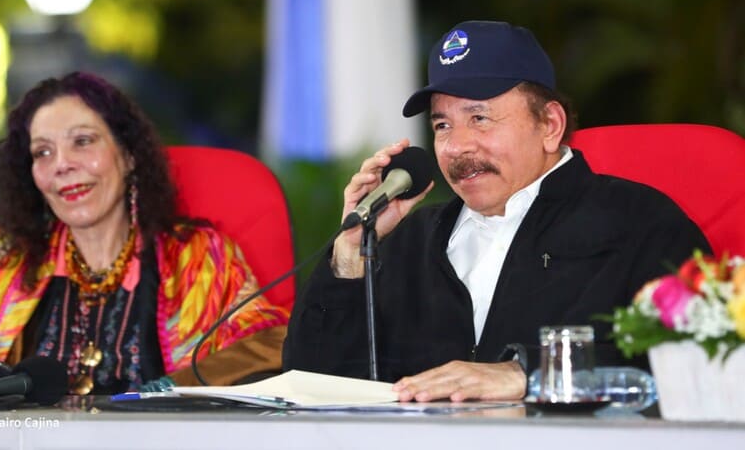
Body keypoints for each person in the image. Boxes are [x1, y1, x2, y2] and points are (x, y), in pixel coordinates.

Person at [283, 20, 711, 402]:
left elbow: (702, 363)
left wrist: (531, 375)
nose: (457, 146)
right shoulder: (407, 239)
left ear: (550, 126)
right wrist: (351, 253)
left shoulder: (639, 223)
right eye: (442, 125)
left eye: (480, 118)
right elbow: (310, 383)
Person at [0, 72, 289, 395]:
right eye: (43, 152)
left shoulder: (197, 256)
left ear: (128, 156)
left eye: (82, 141)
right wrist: (0, 387)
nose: (62, 164)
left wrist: (170, 393)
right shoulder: (2, 260)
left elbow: (269, 343)